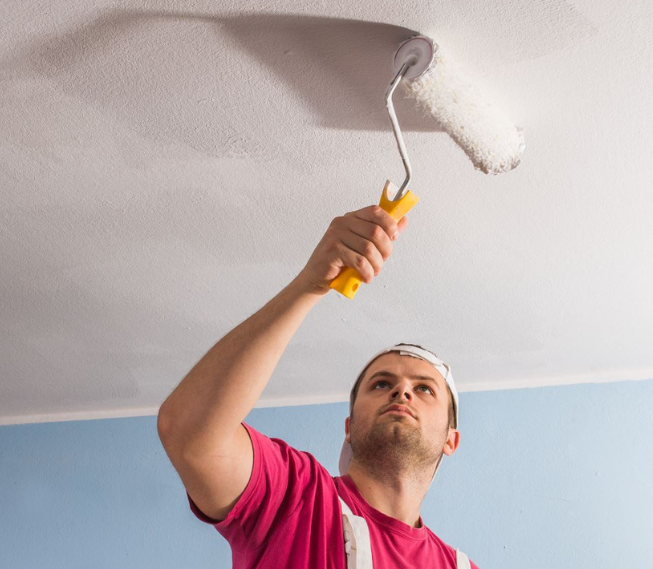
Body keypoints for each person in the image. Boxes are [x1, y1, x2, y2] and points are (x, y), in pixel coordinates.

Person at [157, 205, 479, 568]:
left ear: (451, 439)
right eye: (381, 383)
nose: (400, 391)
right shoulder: (294, 496)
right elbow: (189, 434)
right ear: (349, 426)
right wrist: (308, 285)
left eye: (424, 389)